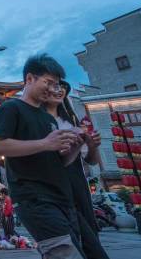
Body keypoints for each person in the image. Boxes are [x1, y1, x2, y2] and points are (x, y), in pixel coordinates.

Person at [0, 54, 84, 259]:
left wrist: (76, 147)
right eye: (48, 82)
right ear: (30, 79)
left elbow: (60, 161)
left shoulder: (47, 117)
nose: (53, 89)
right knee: (65, 253)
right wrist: (45, 143)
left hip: (63, 198)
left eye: (56, 84)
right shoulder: (11, 108)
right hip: (35, 198)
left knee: (70, 252)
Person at [44, 81, 109, 259]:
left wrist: (92, 145)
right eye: (54, 87)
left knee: (89, 236)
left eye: (62, 89)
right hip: (52, 184)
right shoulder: (38, 120)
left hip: (77, 184)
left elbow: (91, 161)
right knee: (64, 239)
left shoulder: (72, 122)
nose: (59, 92)